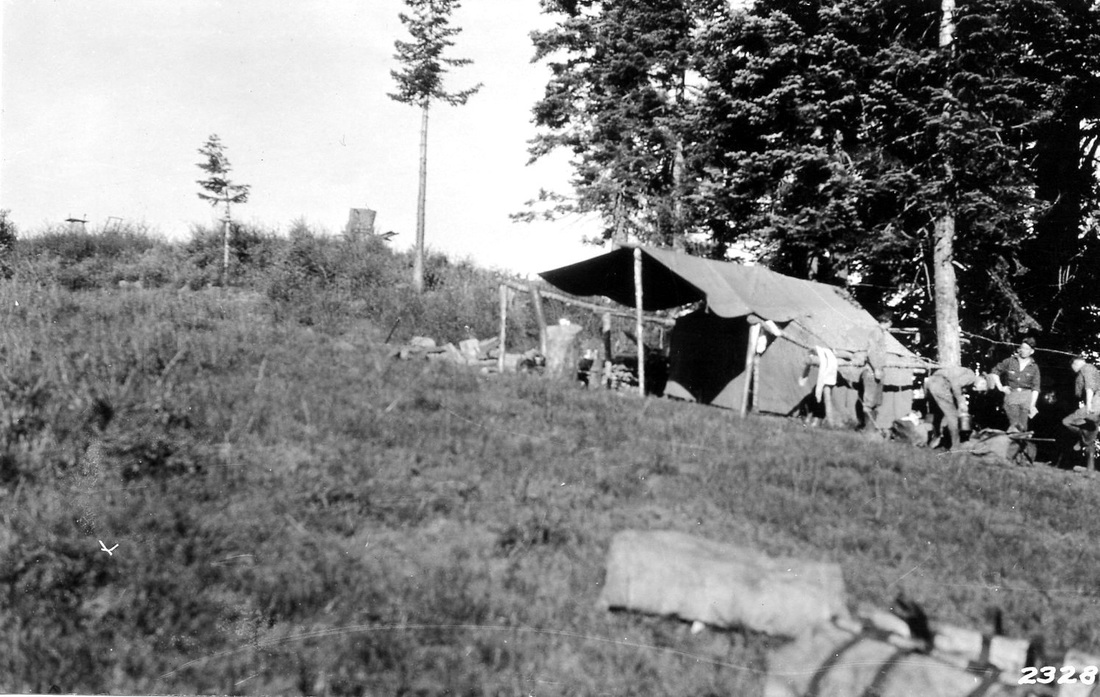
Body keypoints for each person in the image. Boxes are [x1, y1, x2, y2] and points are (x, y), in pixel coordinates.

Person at [988, 337, 1041, 433]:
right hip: (1012, 395)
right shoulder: (1010, 361)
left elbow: (1036, 388)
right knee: (1014, 424)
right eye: (1022, 348)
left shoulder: (1034, 367)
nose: (1024, 351)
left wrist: (1032, 405)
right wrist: (1000, 387)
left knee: (1023, 426)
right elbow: (995, 371)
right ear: (1019, 349)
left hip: (1026, 397)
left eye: (1027, 349)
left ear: (1032, 351)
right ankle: (1014, 440)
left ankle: (1022, 444)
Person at [924, 365, 980, 449]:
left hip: (930, 382)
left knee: (939, 415)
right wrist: (961, 402)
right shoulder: (971, 376)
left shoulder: (962, 372)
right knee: (952, 416)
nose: (976, 389)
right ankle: (955, 446)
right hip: (940, 384)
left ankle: (935, 441)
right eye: (982, 385)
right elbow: (956, 384)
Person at [858, 314, 892, 431]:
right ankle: (868, 429)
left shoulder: (881, 333)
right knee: (869, 401)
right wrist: (876, 369)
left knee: (875, 401)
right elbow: (871, 352)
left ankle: (871, 428)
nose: (891, 324)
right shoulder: (875, 332)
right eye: (890, 322)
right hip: (872, 371)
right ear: (887, 321)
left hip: (878, 370)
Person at [1062, 355, 1100, 452]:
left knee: (1067, 421)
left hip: (1096, 403)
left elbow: (1089, 388)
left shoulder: (1086, 368)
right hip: (1094, 403)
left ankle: (1084, 440)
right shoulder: (1088, 370)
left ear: (1074, 364)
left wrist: (1089, 406)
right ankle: (1087, 439)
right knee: (1089, 425)